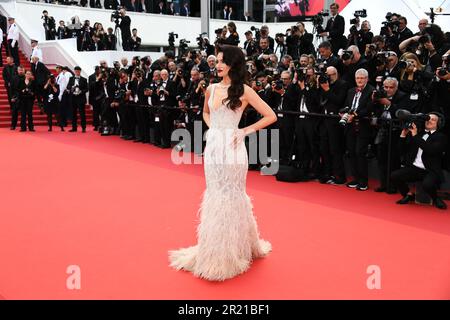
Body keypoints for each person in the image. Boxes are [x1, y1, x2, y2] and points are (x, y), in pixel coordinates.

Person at [169, 45, 277, 281]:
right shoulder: (211, 88)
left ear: (233, 64)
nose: (217, 65)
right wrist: (214, 129)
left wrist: (243, 131)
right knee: (215, 194)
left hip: (234, 149)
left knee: (233, 195)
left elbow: (271, 115)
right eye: (216, 61)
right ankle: (215, 248)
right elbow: (206, 113)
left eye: (222, 61)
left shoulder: (245, 90)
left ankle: (229, 252)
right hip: (214, 147)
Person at [391, 112, 448, 210]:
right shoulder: (418, 133)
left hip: (430, 170)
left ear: (438, 124)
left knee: (427, 184)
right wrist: (403, 135)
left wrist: (415, 135)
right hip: (415, 168)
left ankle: (436, 199)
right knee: (394, 175)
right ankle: (407, 194)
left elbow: (430, 149)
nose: (429, 121)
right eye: (428, 118)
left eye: (433, 120)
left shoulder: (441, 137)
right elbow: (402, 151)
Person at [66, 66, 88, 132]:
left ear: (80, 71)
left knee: (82, 114)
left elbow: (86, 89)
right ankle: (74, 128)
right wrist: (72, 87)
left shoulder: (84, 79)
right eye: (75, 71)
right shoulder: (71, 78)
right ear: (74, 71)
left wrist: (81, 91)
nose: (77, 72)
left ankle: (83, 128)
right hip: (73, 98)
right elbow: (68, 86)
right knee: (73, 113)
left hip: (81, 98)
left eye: (78, 71)